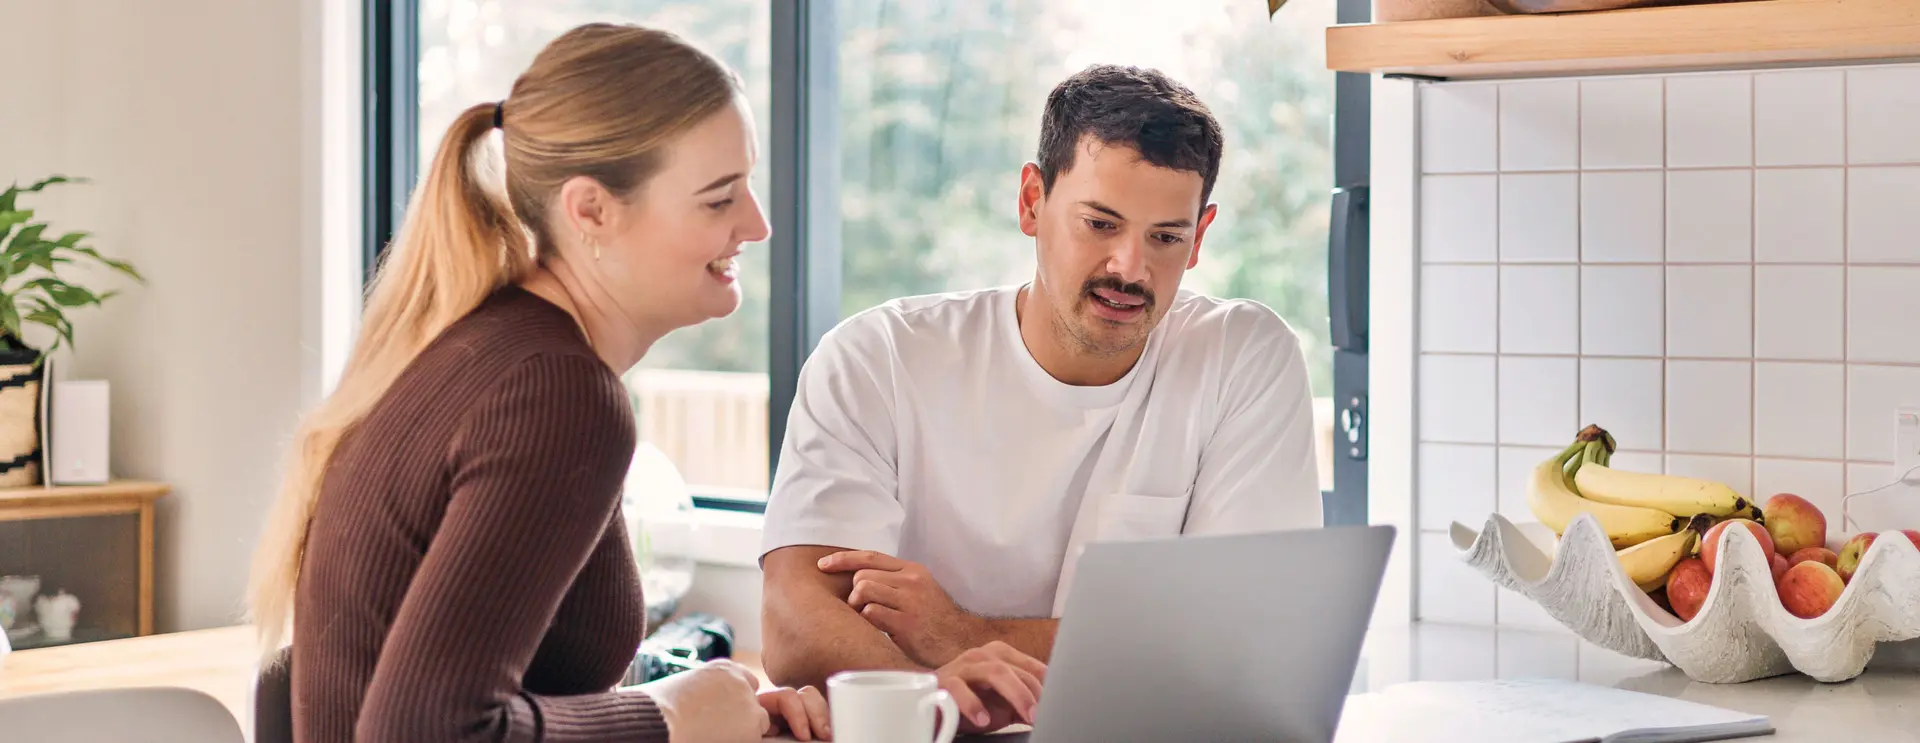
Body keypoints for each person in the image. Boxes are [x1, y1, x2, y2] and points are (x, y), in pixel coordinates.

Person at [242, 23, 1007, 743]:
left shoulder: (493, 349)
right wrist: (666, 717)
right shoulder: (556, 393)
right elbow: (424, 729)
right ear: (591, 211)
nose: (758, 224)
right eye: (719, 197)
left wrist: (708, 707)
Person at [758, 63, 1324, 732]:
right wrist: (937, 697)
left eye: (1165, 237)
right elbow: (795, 622)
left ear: (1199, 237)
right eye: (1100, 224)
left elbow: (1242, 650)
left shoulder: (1244, 357)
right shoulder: (878, 357)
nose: (1129, 268)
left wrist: (954, 632)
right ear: (1032, 201)